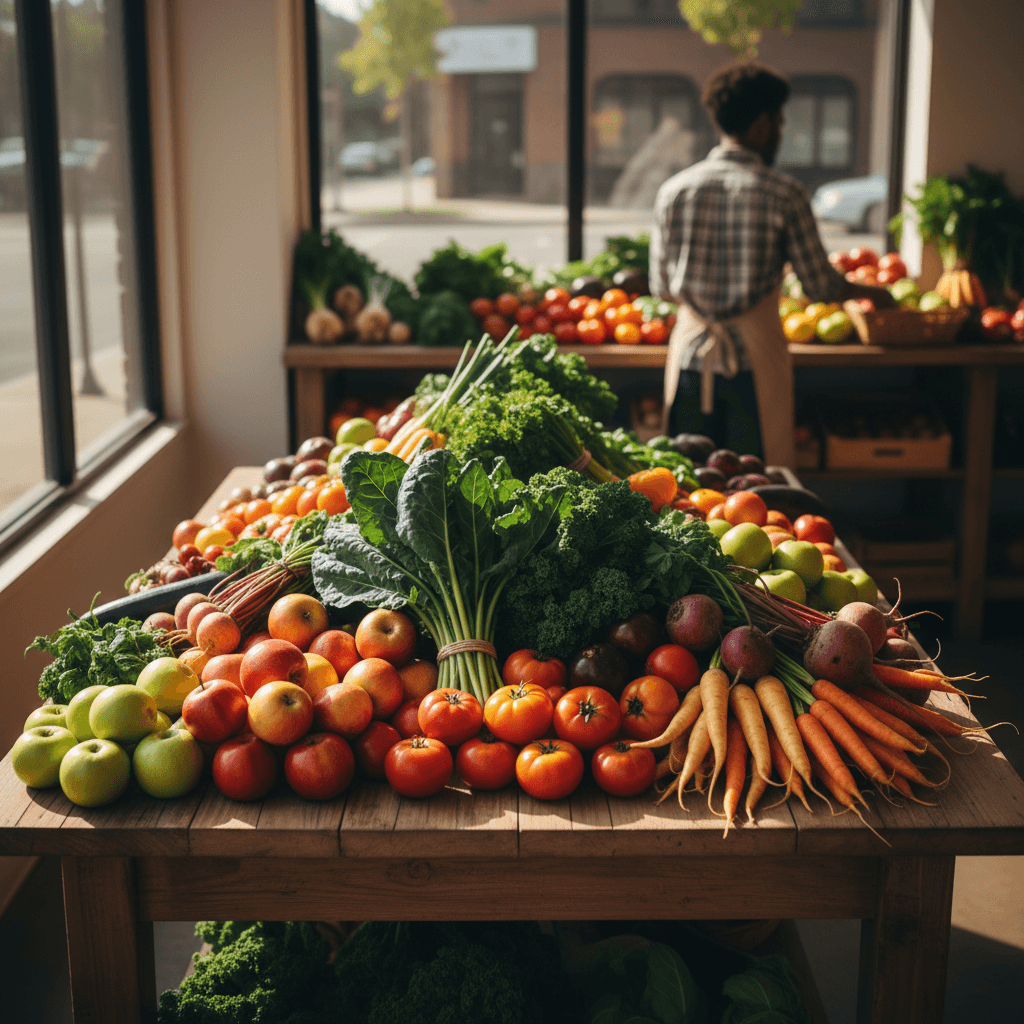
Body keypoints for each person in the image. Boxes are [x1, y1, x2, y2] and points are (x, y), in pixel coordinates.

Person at [649, 61, 895, 466]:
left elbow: (660, 287)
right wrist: (874, 294)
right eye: (780, 122)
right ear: (762, 124)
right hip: (755, 366)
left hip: (693, 362)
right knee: (755, 494)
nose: (781, 131)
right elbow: (820, 287)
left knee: (689, 489)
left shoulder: (674, 191)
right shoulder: (786, 194)